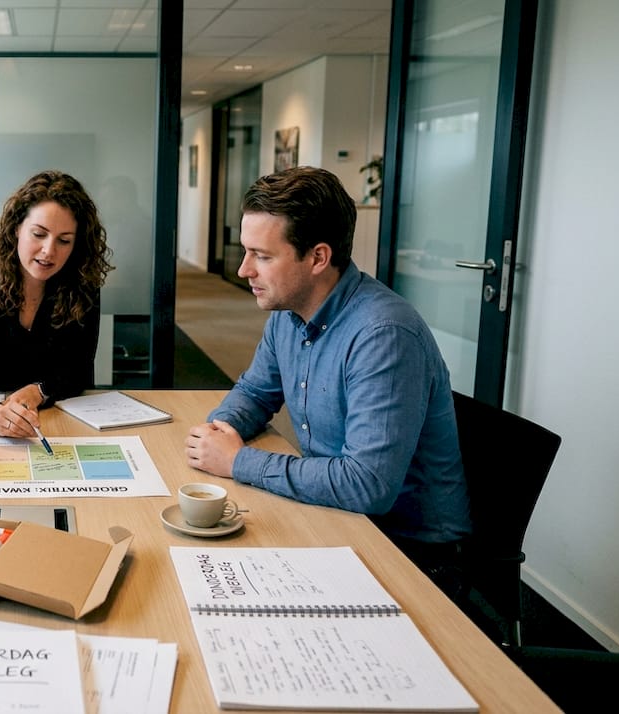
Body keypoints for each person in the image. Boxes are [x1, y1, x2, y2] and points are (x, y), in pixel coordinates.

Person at [183, 166, 470, 596]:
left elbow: (366, 485)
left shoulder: (384, 335)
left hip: (409, 551)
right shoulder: (289, 311)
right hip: (336, 513)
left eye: (262, 255)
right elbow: (256, 391)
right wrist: (222, 428)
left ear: (318, 257)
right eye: (246, 252)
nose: (244, 270)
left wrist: (238, 462)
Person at [0, 170, 112, 438]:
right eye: (39, 234)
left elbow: (79, 368)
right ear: (17, 228)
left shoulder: (83, 288)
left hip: (56, 420)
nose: (48, 251)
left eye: (64, 240)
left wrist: (38, 390)